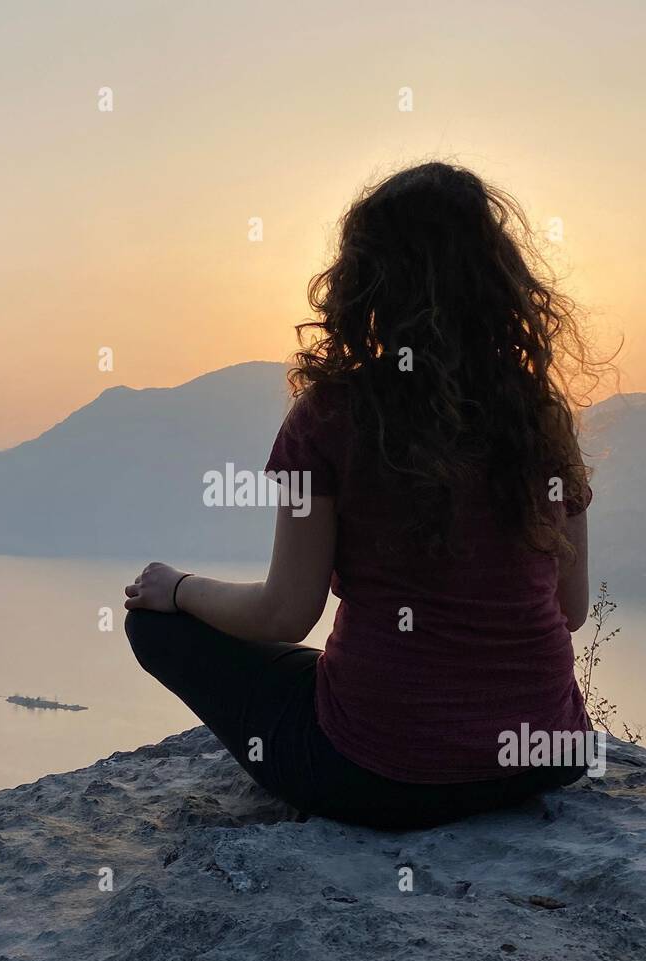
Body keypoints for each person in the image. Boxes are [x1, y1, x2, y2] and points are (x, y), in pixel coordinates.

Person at [124, 161, 597, 830]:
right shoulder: (539, 417)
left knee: (154, 626)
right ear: (500, 281)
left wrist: (177, 589)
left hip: (377, 775)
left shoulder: (333, 414)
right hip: (546, 756)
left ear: (364, 282)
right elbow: (570, 610)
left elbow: (286, 612)